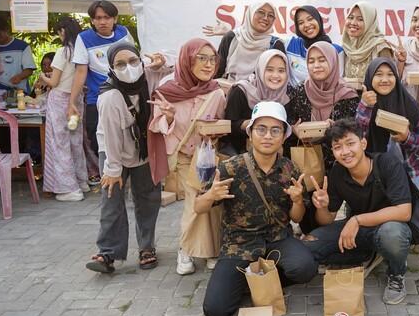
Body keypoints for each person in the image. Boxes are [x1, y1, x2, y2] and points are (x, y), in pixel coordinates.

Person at [198, 101, 317, 316]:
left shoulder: (290, 169)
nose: (268, 136)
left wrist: (298, 200)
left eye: (275, 130)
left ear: (283, 137)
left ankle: (259, 277)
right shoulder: (230, 167)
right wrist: (210, 195)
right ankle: (249, 279)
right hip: (239, 245)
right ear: (250, 134)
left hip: (277, 240)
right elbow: (198, 207)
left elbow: (296, 217)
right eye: (261, 129)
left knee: (305, 268)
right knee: (215, 309)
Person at [303, 118, 412, 304]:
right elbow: (327, 220)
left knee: (392, 235)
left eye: (350, 143)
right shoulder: (338, 172)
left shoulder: (387, 163)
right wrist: (322, 206)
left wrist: (356, 220)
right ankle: (366, 255)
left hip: (388, 226)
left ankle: (396, 273)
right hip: (359, 230)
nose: (345, 152)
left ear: (363, 143)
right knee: (310, 244)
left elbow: (404, 212)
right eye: (338, 147)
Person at [86, 42, 171, 273]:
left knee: (148, 199)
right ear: (111, 69)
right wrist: (113, 170)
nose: (129, 68)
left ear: (141, 62)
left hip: (144, 148)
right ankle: (107, 253)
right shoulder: (109, 97)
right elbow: (112, 138)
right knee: (111, 200)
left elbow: (176, 68)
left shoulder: (149, 76)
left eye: (133, 61)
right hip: (113, 152)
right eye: (120, 64)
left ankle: (147, 247)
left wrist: (163, 60)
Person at [148, 38, 227, 275]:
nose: (208, 64)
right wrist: (169, 117)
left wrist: (215, 131)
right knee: (194, 203)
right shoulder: (167, 90)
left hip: (207, 156)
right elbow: (157, 126)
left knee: (211, 203)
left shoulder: (216, 93)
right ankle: (186, 250)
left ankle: (211, 250)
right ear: (187, 59)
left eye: (212, 59)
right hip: (183, 156)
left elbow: (221, 124)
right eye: (201, 58)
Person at [285, 41, 359, 232]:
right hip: (307, 159)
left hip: (337, 162)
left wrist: (335, 131)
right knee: (308, 207)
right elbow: (289, 123)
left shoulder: (347, 95)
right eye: (311, 61)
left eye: (322, 60)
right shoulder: (300, 91)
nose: (316, 65)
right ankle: (309, 233)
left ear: (333, 62)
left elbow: (352, 131)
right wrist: (296, 130)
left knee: (329, 206)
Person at [69, 1, 134, 158]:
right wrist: (72, 102)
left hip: (126, 97)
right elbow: (80, 72)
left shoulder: (124, 33)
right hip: (97, 99)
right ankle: (106, 171)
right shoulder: (84, 38)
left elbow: (134, 63)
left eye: (107, 17)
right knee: (99, 143)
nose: (102, 22)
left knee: (129, 139)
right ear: (92, 20)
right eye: (98, 18)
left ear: (115, 19)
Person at [356, 58, 419, 188]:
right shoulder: (362, 103)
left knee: (409, 202)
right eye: (379, 74)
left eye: (390, 74)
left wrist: (407, 138)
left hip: (408, 172)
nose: (385, 80)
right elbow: (357, 136)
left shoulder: (410, 104)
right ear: (370, 77)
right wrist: (366, 106)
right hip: (372, 172)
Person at [41, 18, 90, 202]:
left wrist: (42, 77)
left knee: (60, 143)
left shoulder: (62, 52)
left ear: (63, 31)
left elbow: (54, 82)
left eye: (59, 32)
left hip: (60, 101)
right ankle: (81, 182)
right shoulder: (81, 50)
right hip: (76, 100)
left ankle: (69, 188)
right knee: (75, 141)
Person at [221, 49, 290, 155]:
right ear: (260, 69)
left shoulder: (286, 97)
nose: (275, 75)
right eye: (269, 70)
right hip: (239, 153)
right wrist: (250, 124)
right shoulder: (242, 91)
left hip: (273, 156)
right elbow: (228, 126)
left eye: (281, 71)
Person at [211, 2, 285, 81]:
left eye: (270, 15)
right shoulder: (232, 37)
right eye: (261, 12)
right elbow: (217, 72)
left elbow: (278, 78)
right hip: (227, 87)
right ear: (250, 13)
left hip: (258, 89)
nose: (265, 18)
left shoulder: (275, 45)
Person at [285, 5, 344, 86]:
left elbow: (339, 83)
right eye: (301, 23)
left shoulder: (336, 51)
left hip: (326, 94)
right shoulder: (290, 45)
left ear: (318, 20)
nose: (306, 25)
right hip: (295, 93)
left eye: (310, 19)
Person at [341, 2, 395, 80]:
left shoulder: (380, 48)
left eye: (360, 19)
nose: (353, 23)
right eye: (351, 17)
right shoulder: (347, 47)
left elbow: (389, 80)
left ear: (370, 22)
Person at [0, 13, 36, 92]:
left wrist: (20, 77)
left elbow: (29, 70)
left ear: (6, 30)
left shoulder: (22, 46)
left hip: (17, 92)